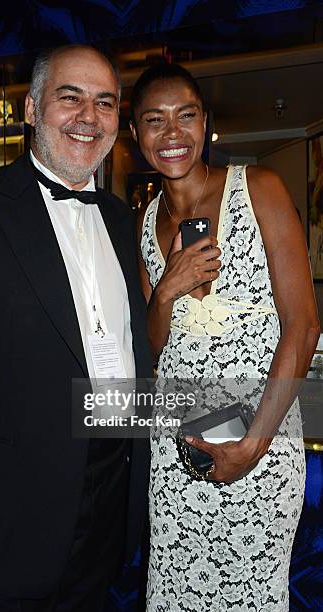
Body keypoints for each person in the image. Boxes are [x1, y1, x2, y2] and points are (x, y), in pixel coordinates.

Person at [0, 45, 151, 612]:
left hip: (107, 505)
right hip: (2, 518)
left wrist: (241, 414)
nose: (88, 117)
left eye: (105, 103)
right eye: (70, 98)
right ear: (30, 107)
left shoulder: (123, 220)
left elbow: (118, 359)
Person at [130, 63, 320, 611]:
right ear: (136, 134)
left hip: (259, 440)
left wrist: (253, 445)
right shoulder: (144, 220)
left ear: (205, 123)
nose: (172, 134)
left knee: (251, 594)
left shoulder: (258, 187)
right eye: (154, 120)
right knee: (176, 590)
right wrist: (164, 292)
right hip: (175, 447)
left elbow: (303, 325)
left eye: (185, 116)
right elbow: (154, 346)